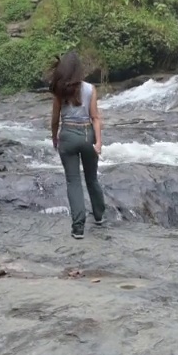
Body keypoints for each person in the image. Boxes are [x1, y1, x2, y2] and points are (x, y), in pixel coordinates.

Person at [49, 52, 107, 239]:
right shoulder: (90, 89)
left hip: (67, 136)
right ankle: (99, 216)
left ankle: (78, 228)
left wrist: (54, 138)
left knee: (73, 181)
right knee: (92, 178)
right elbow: (95, 117)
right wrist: (98, 142)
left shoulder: (59, 90)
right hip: (87, 134)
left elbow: (55, 119)